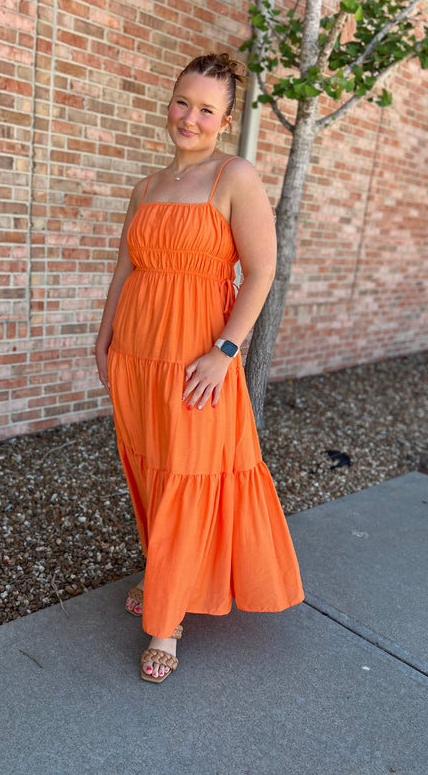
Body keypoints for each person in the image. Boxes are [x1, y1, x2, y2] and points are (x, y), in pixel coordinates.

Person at [95, 53, 304, 684]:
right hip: (137, 353)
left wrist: (226, 352)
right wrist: (104, 334)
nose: (190, 117)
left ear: (226, 119)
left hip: (197, 359)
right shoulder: (146, 187)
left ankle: (168, 623)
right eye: (183, 101)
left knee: (188, 471)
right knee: (153, 467)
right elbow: (127, 269)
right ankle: (165, 571)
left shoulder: (234, 176)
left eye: (206, 109)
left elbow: (261, 271)